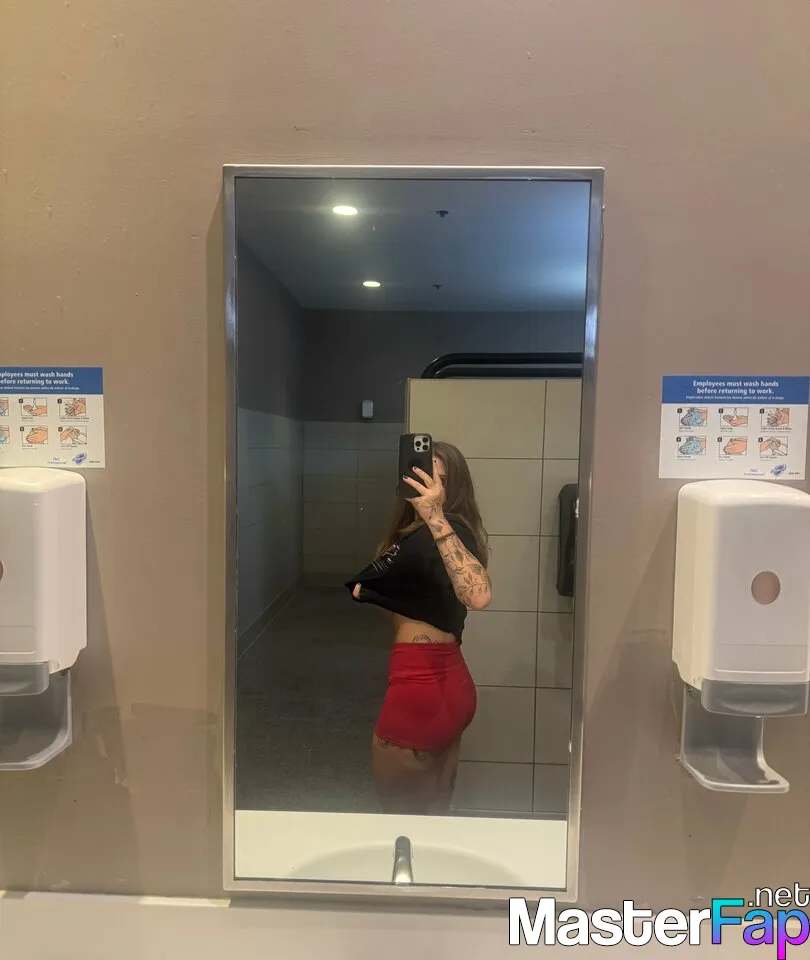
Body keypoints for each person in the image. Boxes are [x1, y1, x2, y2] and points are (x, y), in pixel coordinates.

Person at [346, 440, 491, 814]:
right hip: (442, 682)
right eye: (421, 476)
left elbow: (478, 596)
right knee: (435, 809)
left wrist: (435, 515)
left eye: (438, 480)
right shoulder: (417, 534)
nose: (428, 486)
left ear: (453, 488)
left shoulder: (450, 528)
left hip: (423, 690)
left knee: (400, 816)